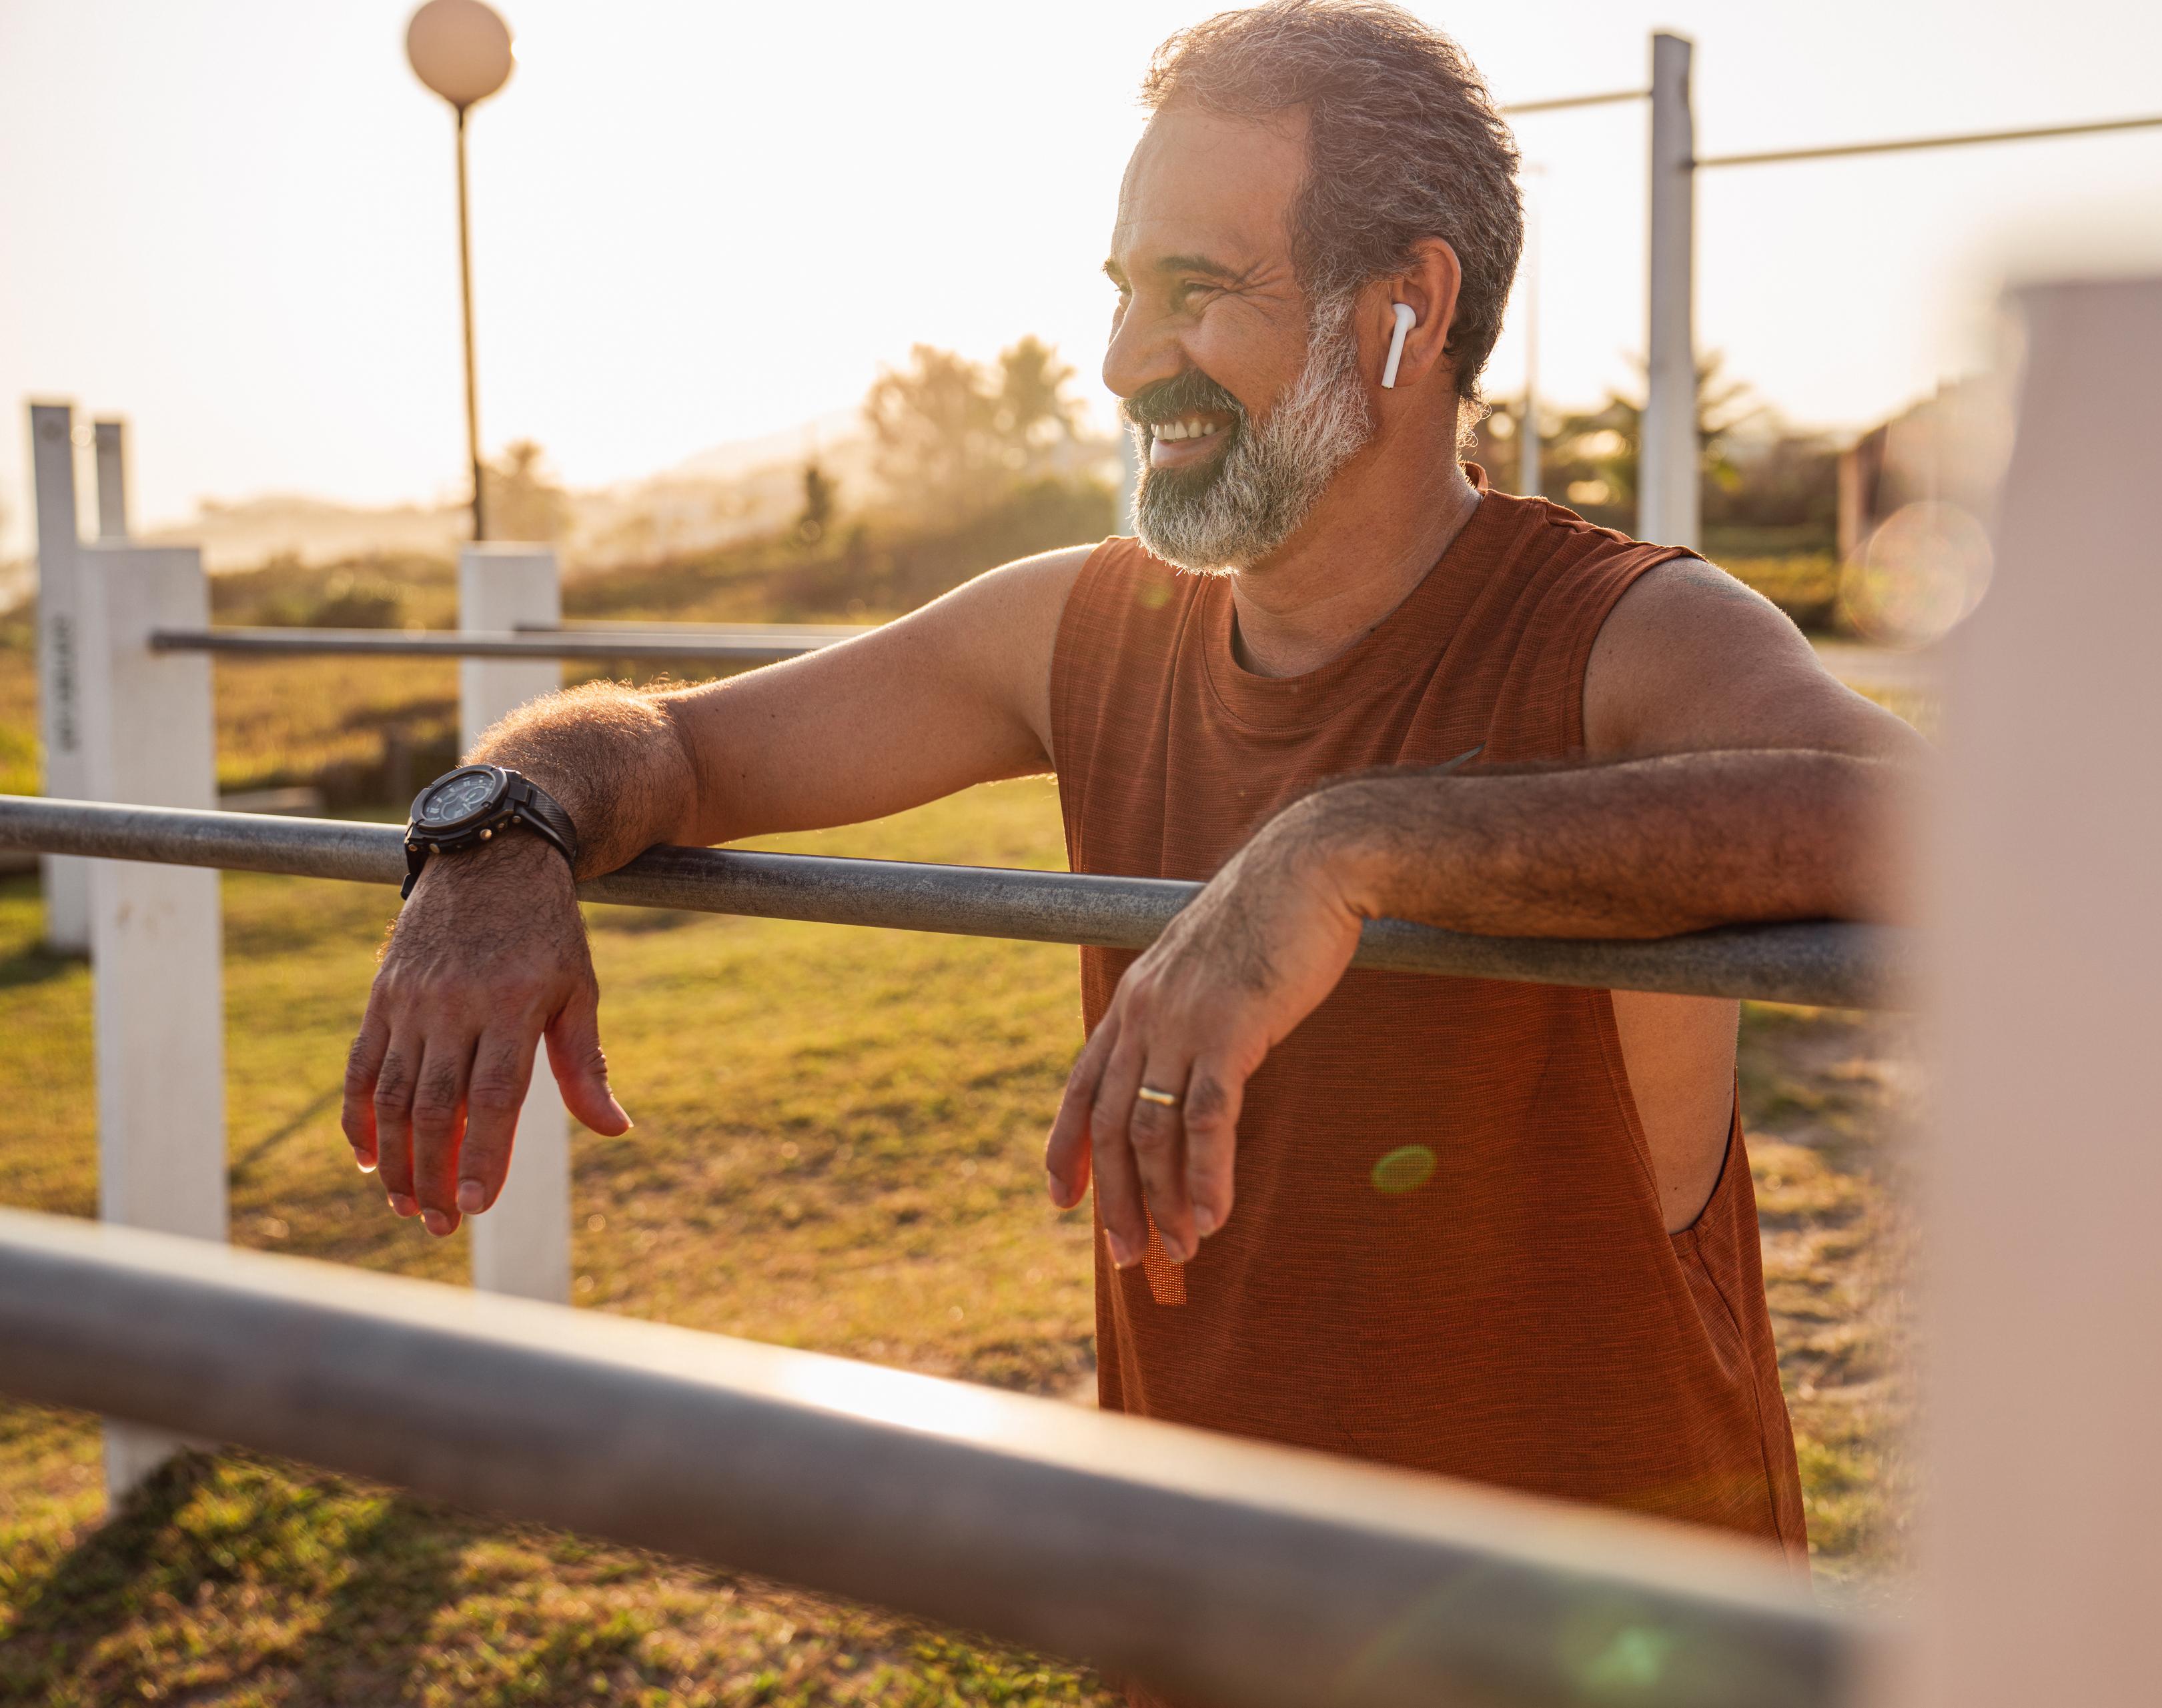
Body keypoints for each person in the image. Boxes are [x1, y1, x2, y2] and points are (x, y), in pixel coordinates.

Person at [342, 0, 1924, 1574]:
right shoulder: (1084, 624)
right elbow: (679, 748)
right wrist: (501, 830)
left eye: (1197, 292)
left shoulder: (1623, 632)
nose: (1119, 365)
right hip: (1203, 1617)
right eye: (1121, 292)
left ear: (1408, 307)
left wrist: (1351, 849)